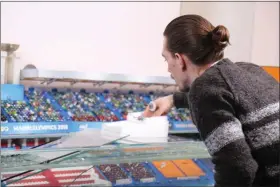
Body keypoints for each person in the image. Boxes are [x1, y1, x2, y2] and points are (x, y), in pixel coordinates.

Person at [143, 14, 279, 187]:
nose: (167, 67)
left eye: (166, 58)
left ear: (180, 59)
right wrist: (171, 100)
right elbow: (227, 96)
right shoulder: (249, 70)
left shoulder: (204, 89)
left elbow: (239, 169)